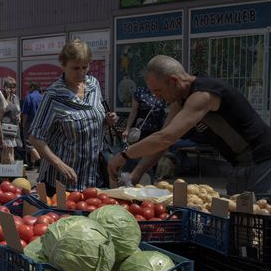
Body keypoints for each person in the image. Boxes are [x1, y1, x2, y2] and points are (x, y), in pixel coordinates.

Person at [108, 55, 271, 196]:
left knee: (253, 221)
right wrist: (136, 174)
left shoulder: (203, 94)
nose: (157, 98)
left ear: (174, 81)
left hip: (262, 160)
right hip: (239, 164)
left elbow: (165, 138)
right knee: (236, 221)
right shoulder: (180, 101)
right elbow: (163, 140)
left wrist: (124, 155)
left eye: (158, 91)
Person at [29, 39, 117, 192]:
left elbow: (93, 117)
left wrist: (107, 120)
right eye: (75, 68)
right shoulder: (53, 96)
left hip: (94, 178)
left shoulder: (94, 85)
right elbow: (35, 137)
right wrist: (59, 164)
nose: (81, 73)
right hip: (63, 182)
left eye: (85, 67)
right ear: (63, 65)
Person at [20, 82, 43, 168]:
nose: (28, 90)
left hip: (30, 123)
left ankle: (39, 161)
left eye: (29, 88)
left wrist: (23, 124)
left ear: (32, 87)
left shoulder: (29, 97)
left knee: (29, 144)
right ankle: (32, 164)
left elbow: (25, 113)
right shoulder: (42, 97)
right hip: (41, 124)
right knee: (37, 144)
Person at [1, 76, 22, 164]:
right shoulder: (2, 97)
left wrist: (19, 116)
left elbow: (18, 110)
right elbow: (4, 109)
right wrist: (8, 96)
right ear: (5, 87)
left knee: (11, 149)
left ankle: (9, 167)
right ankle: (8, 168)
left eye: (13, 87)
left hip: (14, 127)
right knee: (7, 149)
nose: (12, 89)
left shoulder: (16, 97)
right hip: (6, 127)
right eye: (10, 87)